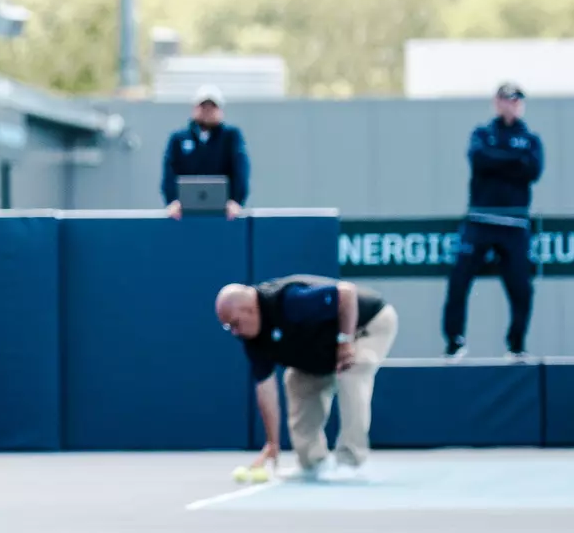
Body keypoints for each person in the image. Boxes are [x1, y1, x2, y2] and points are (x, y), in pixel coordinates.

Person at [216, 274, 399, 480]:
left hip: (368, 322)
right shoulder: (252, 339)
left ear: (249, 309)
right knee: (296, 381)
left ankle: (351, 461)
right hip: (324, 344)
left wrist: (346, 341)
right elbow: (266, 390)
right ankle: (313, 463)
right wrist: (272, 443)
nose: (234, 332)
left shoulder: (290, 301)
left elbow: (346, 293)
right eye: (228, 327)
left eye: (234, 323)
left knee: (351, 370)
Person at [442, 82, 544, 359]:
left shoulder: (531, 139)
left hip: (514, 226)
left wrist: (500, 161)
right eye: (504, 100)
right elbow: (480, 160)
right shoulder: (482, 133)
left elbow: (532, 170)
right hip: (480, 221)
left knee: (521, 289)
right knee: (459, 282)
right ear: (496, 102)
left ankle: (516, 345)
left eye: (515, 101)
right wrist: (513, 161)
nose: (509, 105)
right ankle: (454, 342)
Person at [161, 84, 249, 219]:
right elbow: (169, 173)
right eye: (203, 106)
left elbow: (241, 171)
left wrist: (236, 202)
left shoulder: (231, 137)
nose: (207, 111)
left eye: (212, 107)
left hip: (225, 214)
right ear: (194, 108)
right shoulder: (178, 139)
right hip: (185, 214)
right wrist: (173, 201)